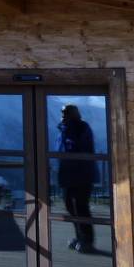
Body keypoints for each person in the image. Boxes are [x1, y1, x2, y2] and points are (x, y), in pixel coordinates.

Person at [57, 104, 97, 253]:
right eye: (62, 113)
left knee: (81, 208)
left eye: (65, 113)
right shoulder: (64, 129)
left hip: (81, 174)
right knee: (70, 206)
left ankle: (87, 240)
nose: (63, 116)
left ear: (73, 114)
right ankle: (80, 237)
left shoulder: (81, 128)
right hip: (68, 173)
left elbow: (78, 147)